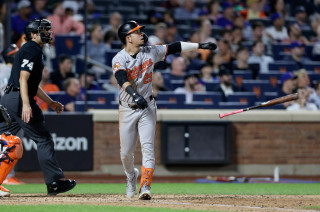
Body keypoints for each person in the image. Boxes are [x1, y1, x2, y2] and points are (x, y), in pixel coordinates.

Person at [112, 20, 217, 200]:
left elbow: (175, 47)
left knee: (148, 147)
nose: (142, 34)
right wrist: (134, 94)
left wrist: (200, 46)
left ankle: (145, 186)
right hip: (128, 108)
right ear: (128, 38)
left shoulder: (150, 51)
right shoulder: (119, 58)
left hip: (147, 106)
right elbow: (121, 79)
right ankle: (131, 176)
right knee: (126, 153)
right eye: (137, 32)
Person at [0, 19, 76, 196]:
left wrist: (50, 102)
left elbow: (33, 84)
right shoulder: (32, 48)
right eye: (43, 30)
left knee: (5, 140)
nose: (47, 33)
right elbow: (23, 80)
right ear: (33, 34)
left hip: (9, 99)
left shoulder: (31, 48)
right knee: (43, 139)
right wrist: (26, 105)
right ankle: (54, 182)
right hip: (19, 99)